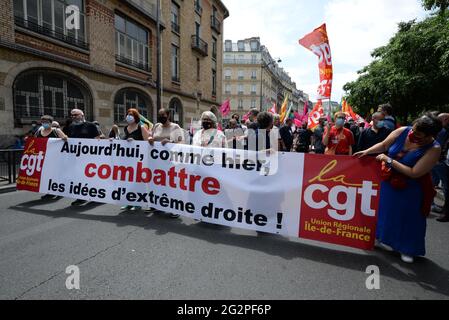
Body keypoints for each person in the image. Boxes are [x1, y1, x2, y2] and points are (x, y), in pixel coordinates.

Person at [354, 113, 442, 263]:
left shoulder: (434, 148)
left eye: (418, 135)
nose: (413, 135)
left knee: (409, 217)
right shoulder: (403, 131)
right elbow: (384, 145)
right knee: (385, 212)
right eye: (413, 130)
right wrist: (367, 152)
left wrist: (388, 160)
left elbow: (414, 173)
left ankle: (407, 248)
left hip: (411, 187)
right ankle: (380, 238)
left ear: (429, 136)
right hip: (389, 182)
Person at [66, 109, 101, 206]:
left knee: (92, 178)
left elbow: (98, 140)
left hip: (90, 157)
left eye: (76, 115)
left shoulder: (91, 126)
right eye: (72, 115)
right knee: (78, 178)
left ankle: (96, 196)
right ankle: (81, 197)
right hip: (76, 157)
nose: (73, 117)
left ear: (82, 115)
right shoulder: (71, 126)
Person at [121, 108, 150, 212]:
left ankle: (138, 203)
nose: (129, 116)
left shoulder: (141, 127)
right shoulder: (126, 128)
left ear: (136, 117)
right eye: (128, 114)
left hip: (139, 159)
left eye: (131, 114)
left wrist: (135, 142)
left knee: (138, 181)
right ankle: (129, 202)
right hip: (128, 159)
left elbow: (148, 142)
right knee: (128, 181)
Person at [35, 115, 68, 200]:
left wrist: (64, 138)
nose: (44, 124)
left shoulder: (56, 131)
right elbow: (35, 142)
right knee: (47, 175)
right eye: (43, 122)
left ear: (51, 123)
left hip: (57, 158)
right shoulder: (39, 131)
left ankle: (60, 191)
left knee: (57, 175)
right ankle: (50, 192)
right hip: (44, 158)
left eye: (46, 122)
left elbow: (65, 139)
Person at [432, 113, 449, 221]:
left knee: (432, 182)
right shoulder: (442, 131)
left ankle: (430, 203)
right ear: (445, 119)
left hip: (435, 161)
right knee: (446, 185)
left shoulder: (435, 129)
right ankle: (445, 210)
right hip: (440, 162)